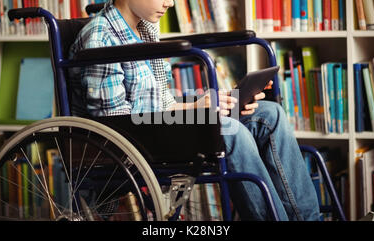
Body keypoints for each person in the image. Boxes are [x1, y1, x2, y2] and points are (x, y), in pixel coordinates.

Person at [68, 0, 320, 221]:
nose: (171, 3)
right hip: (132, 139)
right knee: (230, 130)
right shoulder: (100, 36)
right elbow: (115, 121)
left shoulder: (145, 29)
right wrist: (196, 111)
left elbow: (162, 101)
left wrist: (217, 102)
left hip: (158, 125)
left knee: (269, 115)